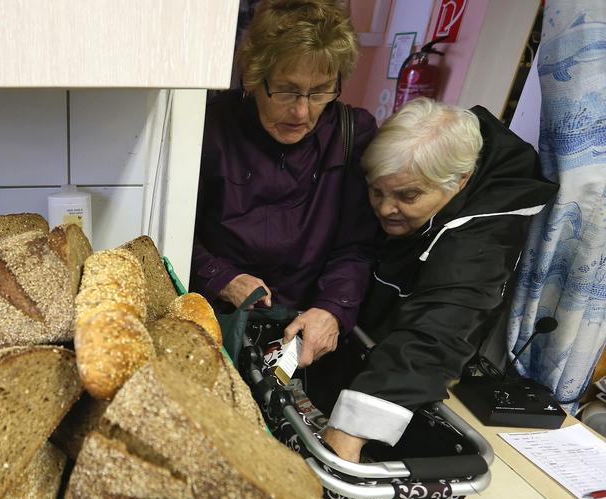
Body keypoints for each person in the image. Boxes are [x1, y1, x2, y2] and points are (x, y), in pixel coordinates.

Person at [319, 97, 559, 461]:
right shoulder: (419, 173)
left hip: (408, 365)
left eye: (408, 195)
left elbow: (438, 333)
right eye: (376, 190)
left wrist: (350, 430)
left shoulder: (483, 239)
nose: (384, 208)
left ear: (461, 181)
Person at [190, 0, 381, 368]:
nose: (301, 111)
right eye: (286, 90)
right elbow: (175, 232)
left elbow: (357, 246)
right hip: (215, 320)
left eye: (320, 91)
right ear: (253, 78)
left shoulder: (351, 135)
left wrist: (332, 309)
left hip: (306, 330)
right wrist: (222, 277)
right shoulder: (210, 127)